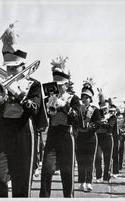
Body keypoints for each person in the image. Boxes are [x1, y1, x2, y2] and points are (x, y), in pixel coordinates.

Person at [0, 25, 47, 197]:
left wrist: (17, 92)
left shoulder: (34, 85)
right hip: (3, 133)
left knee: (21, 185)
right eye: (8, 68)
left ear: (23, 67)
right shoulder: (3, 85)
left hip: (24, 134)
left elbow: (34, 110)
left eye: (14, 68)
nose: (11, 71)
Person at [39, 56, 80, 198]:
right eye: (56, 84)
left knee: (67, 172)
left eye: (61, 84)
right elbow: (43, 115)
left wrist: (65, 106)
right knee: (46, 170)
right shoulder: (50, 97)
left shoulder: (73, 99)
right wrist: (48, 104)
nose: (58, 87)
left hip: (66, 135)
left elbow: (77, 118)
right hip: (52, 134)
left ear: (66, 84)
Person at [76, 78, 101, 192]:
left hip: (91, 138)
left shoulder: (95, 109)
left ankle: (89, 182)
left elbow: (98, 123)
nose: (85, 99)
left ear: (90, 98)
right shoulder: (77, 109)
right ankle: (81, 182)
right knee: (80, 161)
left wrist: (89, 127)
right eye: (83, 97)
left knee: (90, 161)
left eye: (87, 97)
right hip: (80, 137)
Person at [95, 94, 116, 183]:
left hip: (108, 138)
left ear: (108, 107)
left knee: (108, 158)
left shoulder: (112, 116)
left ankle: (106, 177)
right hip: (99, 138)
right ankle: (98, 176)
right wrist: (100, 122)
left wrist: (101, 123)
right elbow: (95, 124)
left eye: (105, 108)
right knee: (98, 157)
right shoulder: (97, 114)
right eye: (102, 107)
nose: (104, 109)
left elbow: (110, 126)